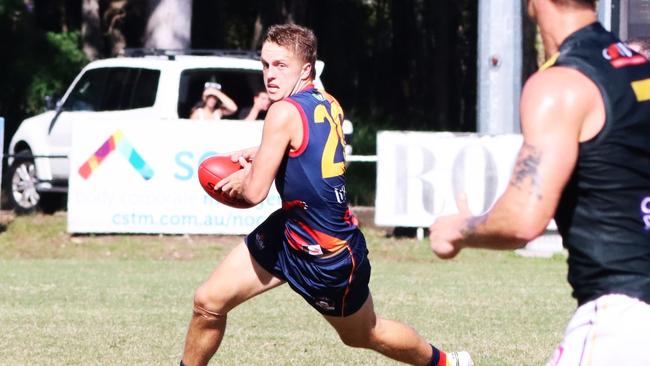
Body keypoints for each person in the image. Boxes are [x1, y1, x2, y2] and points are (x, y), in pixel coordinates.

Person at [180, 24, 473, 366]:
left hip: (327, 254)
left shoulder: (281, 112)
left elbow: (255, 194)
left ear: (306, 68)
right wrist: (261, 153)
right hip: (290, 230)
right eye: (265, 65)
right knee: (208, 301)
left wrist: (241, 180)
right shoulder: (327, 101)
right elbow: (307, 152)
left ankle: (447, 363)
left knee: (364, 335)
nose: (270, 75)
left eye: (280, 66)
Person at [429, 1, 650, 365]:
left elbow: (522, 220)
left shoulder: (561, 84)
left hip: (623, 319)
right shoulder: (638, 68)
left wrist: (457, 229)